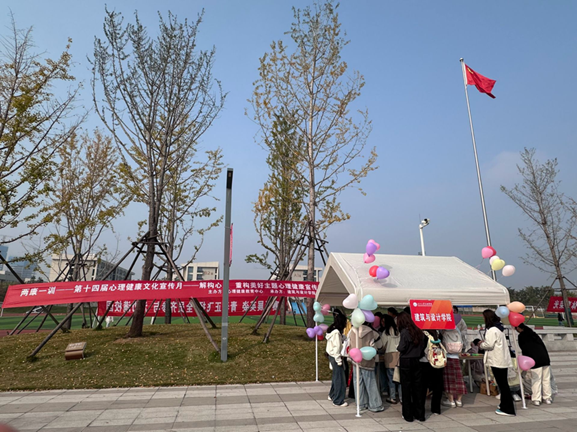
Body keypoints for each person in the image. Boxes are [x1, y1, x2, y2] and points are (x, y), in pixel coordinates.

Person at [480, 309, 516, 417]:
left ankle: (508, 408)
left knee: (503, 385)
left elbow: (489, 344)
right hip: (501, 360)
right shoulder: (499, 329)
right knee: (503, 384)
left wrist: (481, 344)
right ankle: (504, 404)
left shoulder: (492, 330)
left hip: (497, 361)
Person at [348, 321, 385, 412]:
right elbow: (377, 346)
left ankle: (361, 404)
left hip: (355, 359)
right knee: (370, 383)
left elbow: (349, 343)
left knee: (358, 383)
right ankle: (375, 405)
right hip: (367, 359)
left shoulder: (352, 330)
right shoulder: (371, 332)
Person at [397, 312, 427, 422]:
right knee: (418, 388)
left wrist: (398, 348)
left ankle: (408, 415)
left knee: (406, 388)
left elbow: (402, 347)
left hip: (406, 361)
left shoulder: (404, 332)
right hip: (417, 360)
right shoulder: (419, 331)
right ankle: (420, 414)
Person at [516, 323, 552, 406]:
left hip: (534, 359)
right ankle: (547, 398)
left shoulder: (522, 336)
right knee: (546, 379)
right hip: (545, 358)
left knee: (536, 379)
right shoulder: (533, 334)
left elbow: (524, 348)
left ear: (518, 328)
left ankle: (536, 399)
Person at [326, 314, 349, 407]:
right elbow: (337, 347)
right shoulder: (336, 333)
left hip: (332, 356)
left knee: (336, 377)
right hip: (336, 357)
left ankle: (332, 395)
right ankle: (338, 400)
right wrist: (339, 360)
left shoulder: (334, 331)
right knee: (340, 379)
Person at [441, 328, 467, 407]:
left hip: (447, 357)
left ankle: (451, 400)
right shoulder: (457, 329)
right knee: (459, 379)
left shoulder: (443, 330)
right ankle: (459, 400)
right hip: (456, 357)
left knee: (449, 380)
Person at [421, 329, 444, 415]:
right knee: (437, 386)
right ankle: (436, 409)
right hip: (438, 362)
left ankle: (421, 409)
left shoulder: (423, 334)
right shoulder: (438, 334)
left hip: (425, 362)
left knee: (422, 387)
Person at [381, 314, 401, 404]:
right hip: (399, 355)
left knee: (390, 378)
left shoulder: (386, 332)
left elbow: (382, 345)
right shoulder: (399, 331)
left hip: (389, 356)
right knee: (399, 378)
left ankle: (392, 397)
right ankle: (401, 397)